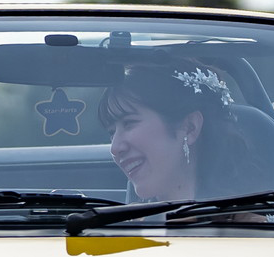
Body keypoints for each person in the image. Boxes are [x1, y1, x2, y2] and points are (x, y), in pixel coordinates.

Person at [101, 62, 251, 201]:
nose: (114, 148)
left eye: (129, 123)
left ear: (190, 127)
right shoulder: (124, 220)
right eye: (112, 132)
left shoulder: (246, 220)